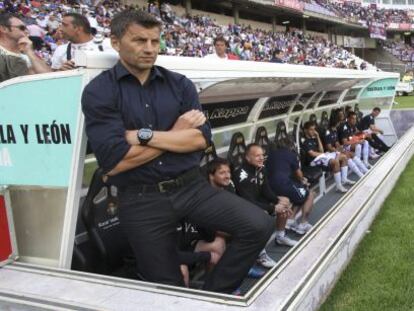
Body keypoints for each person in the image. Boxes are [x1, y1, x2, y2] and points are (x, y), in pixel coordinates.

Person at [81, 10, 273, 294]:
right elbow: (115, 161)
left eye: (154, 41)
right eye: (139, 40)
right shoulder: (100, 91)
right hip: (141, 198)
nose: (149, 48)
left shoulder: (179, 83)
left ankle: (213, 294)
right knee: (166, 285)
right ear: (115, 42)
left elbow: (199, 140)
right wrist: (176, 133)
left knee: (259, 224)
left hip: (191, 186)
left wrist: (144, 137)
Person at [233, 143, 297, 250]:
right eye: (257, 156)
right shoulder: (241, 175)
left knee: (285, 201)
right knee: (263, 214)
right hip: (244, 207)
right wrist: (272, 208)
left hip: (257, 201)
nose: (261, 158)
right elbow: (248, 201)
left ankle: (280, 236)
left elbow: (266, 190)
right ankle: (259, 252)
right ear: (248, 158)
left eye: (262, 155)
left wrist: (278, 201)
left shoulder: (260, 168)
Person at [267, 138, 314, 235]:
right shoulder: (290, 154)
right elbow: (299, 174)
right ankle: (303, 224)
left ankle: (290, 220)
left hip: (269, 186)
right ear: (290, 146)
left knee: (298, 191)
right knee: (309, 193)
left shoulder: (271, 154)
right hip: (282, 184)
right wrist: (303, 180)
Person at [301, 121, 351, 193]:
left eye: (314, 129)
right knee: (335, 162)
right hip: (313, 161)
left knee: (344, 157)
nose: (313, 131)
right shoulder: (304, 140)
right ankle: (339, 186)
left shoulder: (314, 138)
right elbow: (312, 154)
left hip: (321, 157)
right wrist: (324, 155)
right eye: (311, 129)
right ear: (306, 130)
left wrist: (317, 137)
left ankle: (344, 179)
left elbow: (321, 150)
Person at [0, 13, 50, 83]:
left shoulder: (28, 54)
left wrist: (29, 51)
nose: (26, 31)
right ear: (4, 29)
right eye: (22, 28)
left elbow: (48, 78)